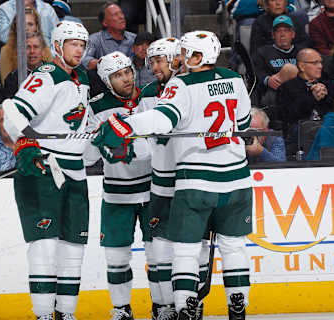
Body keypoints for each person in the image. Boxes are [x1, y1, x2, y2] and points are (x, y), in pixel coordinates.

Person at [92, 30, 253, 320]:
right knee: (234, 246)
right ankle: (237, 306)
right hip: (238, 177)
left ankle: (186, 309)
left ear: (198, 56)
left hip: (195, 179)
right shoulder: (233, 78)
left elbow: (163, 119)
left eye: (185, 53)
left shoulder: (181, 84)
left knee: (186, 250)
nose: (180, 57)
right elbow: (242, 121)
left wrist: (123, 126)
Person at [2, 20, 90, 320]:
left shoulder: (83, 80)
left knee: (73, 248)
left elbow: (79, 128)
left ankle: (66, 313)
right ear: (57, 46)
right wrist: (25, 144)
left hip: (75, 172)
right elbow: (13, 111)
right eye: (73, 44)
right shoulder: (47, 74)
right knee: (44, 247)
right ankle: (42, 315)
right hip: (44, 169)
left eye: (82, 44)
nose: (78, 49)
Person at [83, 50, 158, 320]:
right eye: (117, 75)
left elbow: (157, 146)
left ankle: (162, 307)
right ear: (106, 80)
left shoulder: (151, 97)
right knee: (116, 259)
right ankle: (121, 309)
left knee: (159, 255)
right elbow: (87, 157)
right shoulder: (97, 107)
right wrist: (97, 139)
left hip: (153, 191)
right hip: (117, 194)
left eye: (127, 71)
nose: (126, 78)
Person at [140, 37, 209, 320]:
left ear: (176, 60)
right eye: (151, 61)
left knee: (196, 247)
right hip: (160, 182)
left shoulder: (191, 87)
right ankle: (164, 305)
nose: (154, 66)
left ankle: (191, 302)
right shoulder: (146, 93)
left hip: (190, 180)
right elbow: (144, 140)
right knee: (160, 250)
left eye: (159, 60)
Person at [277, 48, 334, 157]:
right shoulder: (287, 88)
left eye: (320, 62)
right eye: (315, 63)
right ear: (302, 66)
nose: (320, 66)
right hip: (299, 132)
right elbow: (290, 116)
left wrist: (325, 96)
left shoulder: (327, 85)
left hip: (326, 128)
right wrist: (312, 98)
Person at [253, 15, 301, 106]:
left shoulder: (302, 52)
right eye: (278, 31)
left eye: (286, 30)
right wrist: (267, 79)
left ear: (293, 34)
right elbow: (256, 71)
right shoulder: (263, 52)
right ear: (273, 35)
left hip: (299, 90)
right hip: (274, 91)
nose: (282, 34)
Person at [0, 6, 52, 83]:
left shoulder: (45, 49)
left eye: (30, 24)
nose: (26, 28)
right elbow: (6, 83)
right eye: (22, 24)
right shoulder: (6, 51)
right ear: (15, 27)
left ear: (36, 27)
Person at [81, 2, 135, 71]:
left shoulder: (134, 38)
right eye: (115, 14)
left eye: (121, 13)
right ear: (105, 22)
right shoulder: (95, 39)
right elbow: (84, 59)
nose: (121, 17)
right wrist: (107, 63)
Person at [1, 32, 50, 99]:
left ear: (43, 52)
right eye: (28, 47)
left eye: (36, 47)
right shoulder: (12, 78)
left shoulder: (54, 74)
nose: (32, 51)